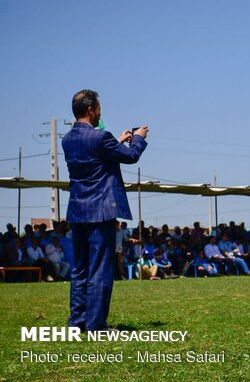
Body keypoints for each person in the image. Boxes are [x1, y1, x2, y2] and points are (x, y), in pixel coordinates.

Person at [62, 89, 148, 331]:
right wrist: (138, 138)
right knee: (100, 268)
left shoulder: (67, 139)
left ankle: (77, 322)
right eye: (98, 107)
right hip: (101, 210)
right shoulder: (101, 137)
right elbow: (130, 156)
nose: (100, 111)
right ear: (91, 110)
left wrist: (117, 141)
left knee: (80, 269)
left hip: (78, 210)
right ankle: (96, 324)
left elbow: (95, 157)